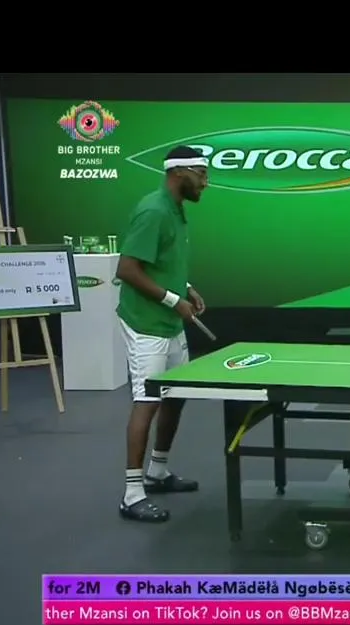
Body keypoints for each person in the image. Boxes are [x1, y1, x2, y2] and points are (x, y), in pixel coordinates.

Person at [113, 146, 210, 523]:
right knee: (148, 400)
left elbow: (162, 261)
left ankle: (158, 471)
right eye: (201, 173)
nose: (206, 181)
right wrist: (173, 300)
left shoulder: (176, 209)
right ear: (178, 172)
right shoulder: (153, 210)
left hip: (169, 322)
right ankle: (132, 494)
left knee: (175, 396)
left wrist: (186, 287)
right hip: (146, 324)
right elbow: (127, 269)